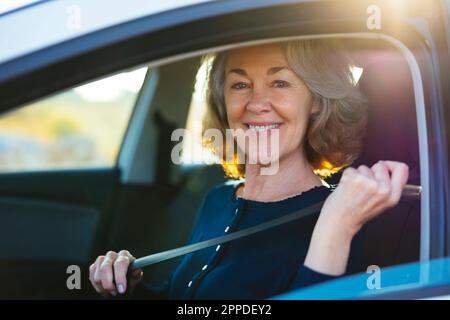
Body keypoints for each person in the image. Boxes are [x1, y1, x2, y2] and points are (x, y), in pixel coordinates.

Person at [89, 39, 409, 299]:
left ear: (315, 100)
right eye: (240, 85)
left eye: (279, 82)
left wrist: (336, 226)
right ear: (222, 99)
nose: (256, 103)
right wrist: (127, 287)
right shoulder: (218, 199)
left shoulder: (343, 217)